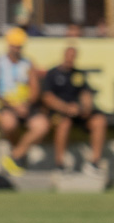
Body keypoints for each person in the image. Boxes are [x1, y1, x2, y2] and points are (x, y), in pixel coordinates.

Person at [40, 43, 108, 178]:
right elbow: (47, 98)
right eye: (68, 56)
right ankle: (60, 164)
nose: (70, 59)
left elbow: (86, 94)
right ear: (64, 56)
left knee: (99, 121)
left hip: (77, 113)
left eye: (73, 56)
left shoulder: (78, 75)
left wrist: (84, 108)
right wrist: (66, 108)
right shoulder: (53, 74)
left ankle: (94, 163)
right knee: (64, 123)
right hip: (60, 112)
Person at [0, 27, 48, 176]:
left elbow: (35, 89)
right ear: (8, 45)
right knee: (9, 123)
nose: (16, 49)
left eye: (19, 46)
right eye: (14, 46)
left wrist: (26, 105)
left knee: (42, 125)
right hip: (7, 105)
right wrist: (13, 106)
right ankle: (19, 155)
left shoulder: (28, 64)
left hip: (26, 106)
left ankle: (15, 155)